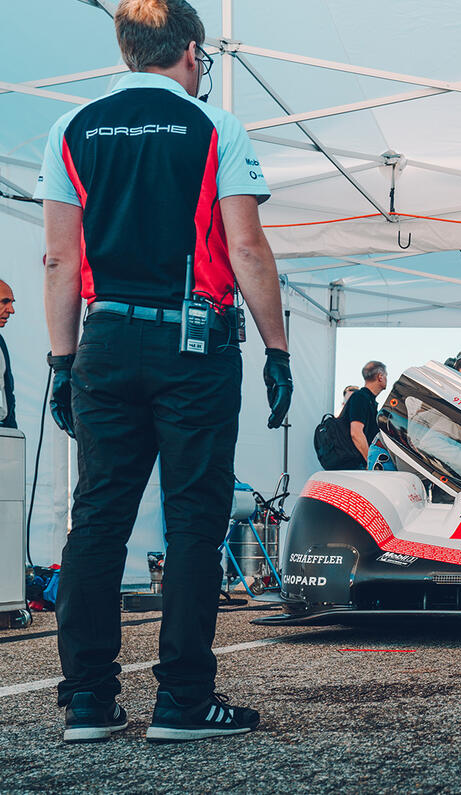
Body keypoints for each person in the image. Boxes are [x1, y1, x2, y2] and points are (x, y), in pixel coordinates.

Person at [35, 0, 291, 743]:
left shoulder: (70, 128)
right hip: (192, 341)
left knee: (100, 518)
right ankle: (181, 700)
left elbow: (59, 258)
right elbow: (245, 248)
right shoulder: (215, 127)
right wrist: (276, 349)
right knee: (193, 519)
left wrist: (61, 359)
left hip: (105, 340)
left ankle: (87, 700)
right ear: (187, 50)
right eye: (201, 59)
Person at [342, 361, 387, 466]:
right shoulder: (360, 398)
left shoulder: (369, 400)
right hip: (356, 465)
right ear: (380, 377)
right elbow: (356, 433)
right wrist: (371, 462)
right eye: (386, 375)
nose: (386, 379)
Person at [0, 279, 15, 429]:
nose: (11, 310)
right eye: (4, 302)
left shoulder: (0, 342)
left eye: (11, 302)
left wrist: (11, 427)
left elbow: (8, 392)